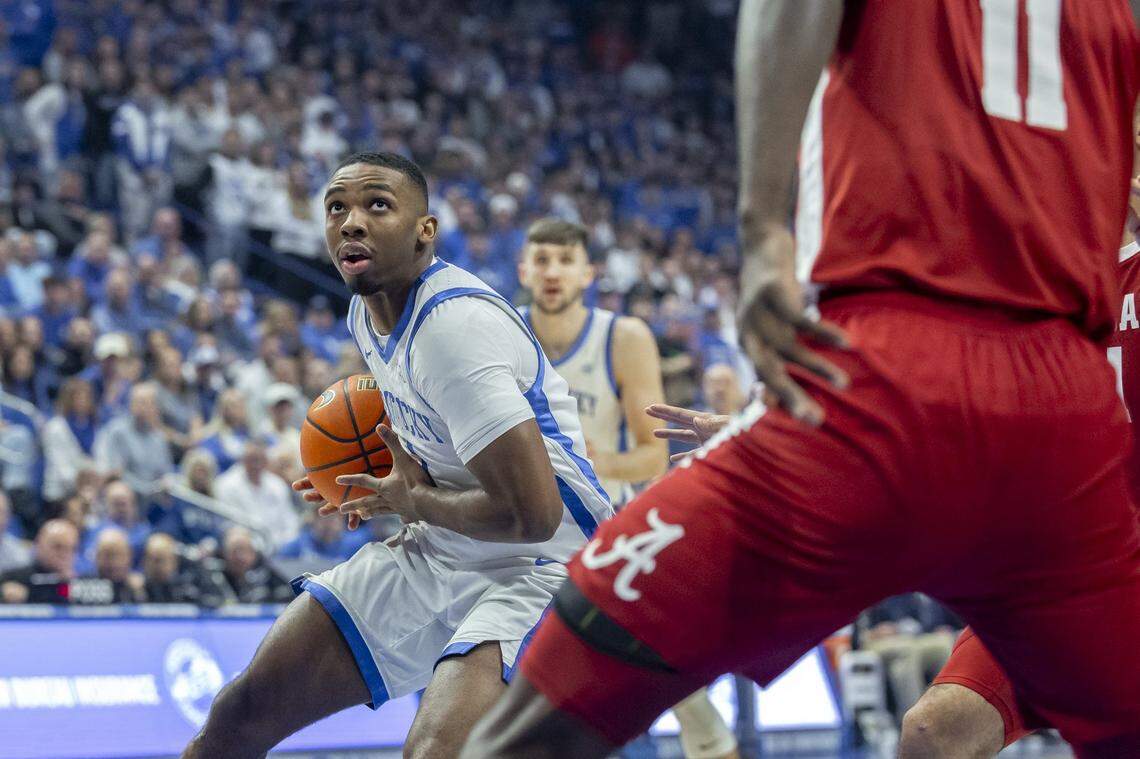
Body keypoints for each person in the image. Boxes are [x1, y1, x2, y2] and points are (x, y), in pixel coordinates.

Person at [463, 2, 1140, 757]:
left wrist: (761, 234)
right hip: (1063, 420)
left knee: (550, 701)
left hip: (892, 369)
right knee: (942, 730)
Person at [183, 152, 612, 759]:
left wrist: (415, 501)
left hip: (548, 565)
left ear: (424, 231)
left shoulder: (454, 331)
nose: (351, 222)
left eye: (376, 205)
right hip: (442, 546)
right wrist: (383, 480)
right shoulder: (367, 311)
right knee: (241, 714)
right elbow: (433, 439)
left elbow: (534, 515)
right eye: (337, 208)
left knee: (435, 752)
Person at [517, 218, 737, 759]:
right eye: (541, 259)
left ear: (589, 272)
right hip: (534, 533)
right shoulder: (503, 333)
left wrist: (589, 460)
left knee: (683, 698)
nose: (552, 272)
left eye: (565, 260)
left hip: (614, 526)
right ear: (523, 270)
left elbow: (653, 450)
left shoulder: (623, 336)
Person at [214, 439, 300, 553]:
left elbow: (290, 521)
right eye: (252, 459)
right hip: (246, 549)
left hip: (280, 549)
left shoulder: (277, 485)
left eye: (261, 460)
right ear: (243, 459)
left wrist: (285, 545)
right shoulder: (226, 484)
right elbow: (229, 525)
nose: (257, 464)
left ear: (266, 461)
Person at [0, 519, 80, 604]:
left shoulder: (78, 582)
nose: (65, 554)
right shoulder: (14, 578)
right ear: (39, 545)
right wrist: (2, 594)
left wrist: (67, 584)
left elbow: (61, 598)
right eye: (57, 547)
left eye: (72, 549)